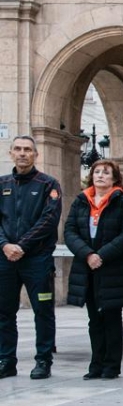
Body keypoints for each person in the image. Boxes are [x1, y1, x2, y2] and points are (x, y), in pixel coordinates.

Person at [64, 159, 123, 379]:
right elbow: (69, 231)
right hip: (86, 267)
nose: (100, 176)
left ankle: (111, 366)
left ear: (114, 178)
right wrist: (87, 254)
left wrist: (101, 255)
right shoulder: (80, 201)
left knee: (111, 317)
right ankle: (96, 364)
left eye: (106, 173)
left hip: (112, 268)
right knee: (94, 319)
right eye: (97, 172)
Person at [0, 136, 63, 380]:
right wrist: (5, 245)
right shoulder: (2, 183)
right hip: (5, 259)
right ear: (11, 153)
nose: (22, 153)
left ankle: (43, 360)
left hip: (37, 260)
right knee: (4, 312)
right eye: (18, 149)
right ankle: (6, 360)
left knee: (43, 311)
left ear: (36, 155)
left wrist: (22, 246)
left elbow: (49, 220)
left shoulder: (48, 184)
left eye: (27, 149)